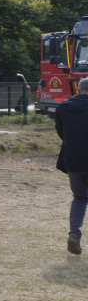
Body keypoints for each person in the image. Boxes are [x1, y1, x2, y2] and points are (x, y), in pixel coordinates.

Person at [56, 77, 88, 255]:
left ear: (78, 88)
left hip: (73, 159)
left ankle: (74, 233)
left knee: (80, 197)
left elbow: (61, 132)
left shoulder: (64, 108)